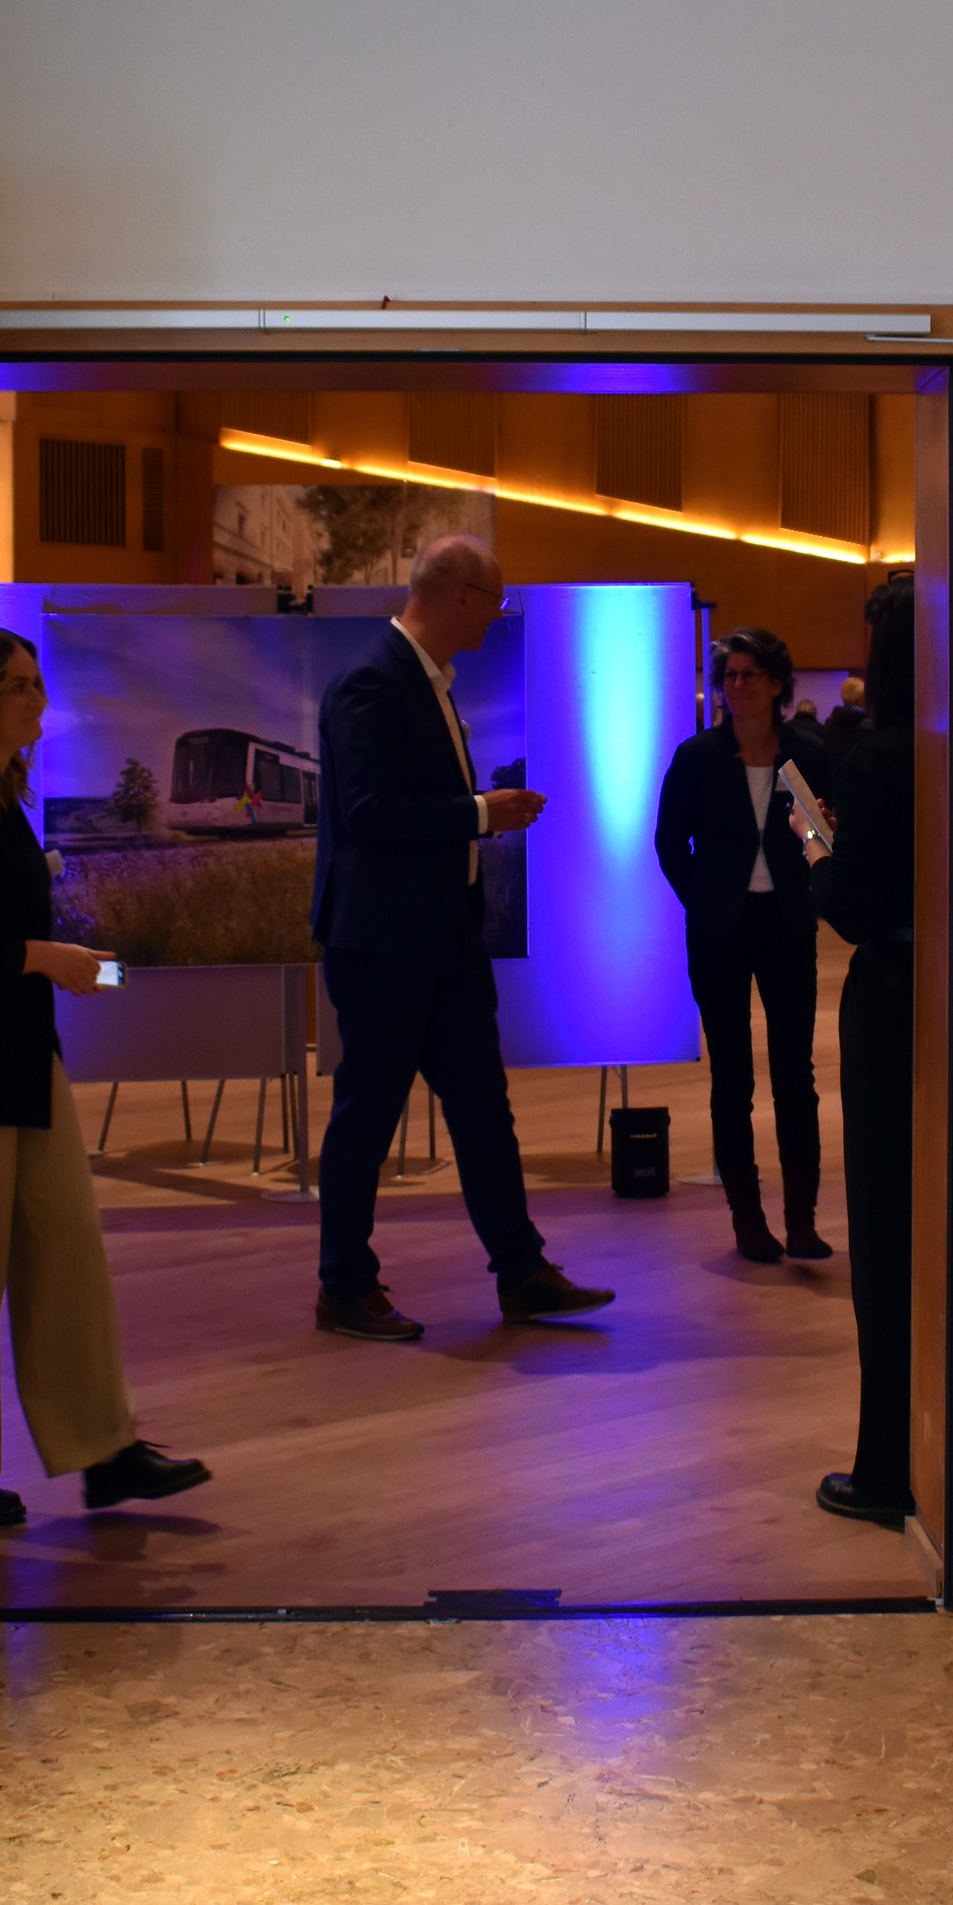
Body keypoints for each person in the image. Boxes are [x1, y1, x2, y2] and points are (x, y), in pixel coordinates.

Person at [308, 535, 617, 1340]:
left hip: (440, 942)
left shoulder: (419, 680)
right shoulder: (374, 681)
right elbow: (370, 815)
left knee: (482, 1109)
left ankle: (522, 1273)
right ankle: (343, 1286)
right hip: (384, 947)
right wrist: (483, 813)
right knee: (367, 1116)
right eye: (495, 601)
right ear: (460, 596)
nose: (497, 616)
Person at [0, 626, 208, 1525]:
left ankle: (105, 1448)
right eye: (19, 685)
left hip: (27, 1058)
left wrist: (75, 965)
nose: (38, 700)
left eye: (37, 683)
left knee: (68, 1255)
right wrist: (42, 958)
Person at [653, 626, 833, 1264]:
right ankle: (748, 1222)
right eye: (728, 675)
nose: (736, 685)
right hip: (720, 932)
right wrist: (701, 899)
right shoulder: (699, 756)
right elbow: (668, 842)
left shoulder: (807, 753)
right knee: (732, 1077)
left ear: (777, 683)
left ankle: (802, 1221)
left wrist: (818, 856)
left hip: (787, 924)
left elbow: (823, 835)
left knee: (795, 1075)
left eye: (748, 673)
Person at [804, 571, 917, 1529]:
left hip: (893, 1002)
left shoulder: (878, 761)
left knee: (884, 1233)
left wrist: (812, 842)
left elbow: (849, 906)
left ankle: (886, 1465)